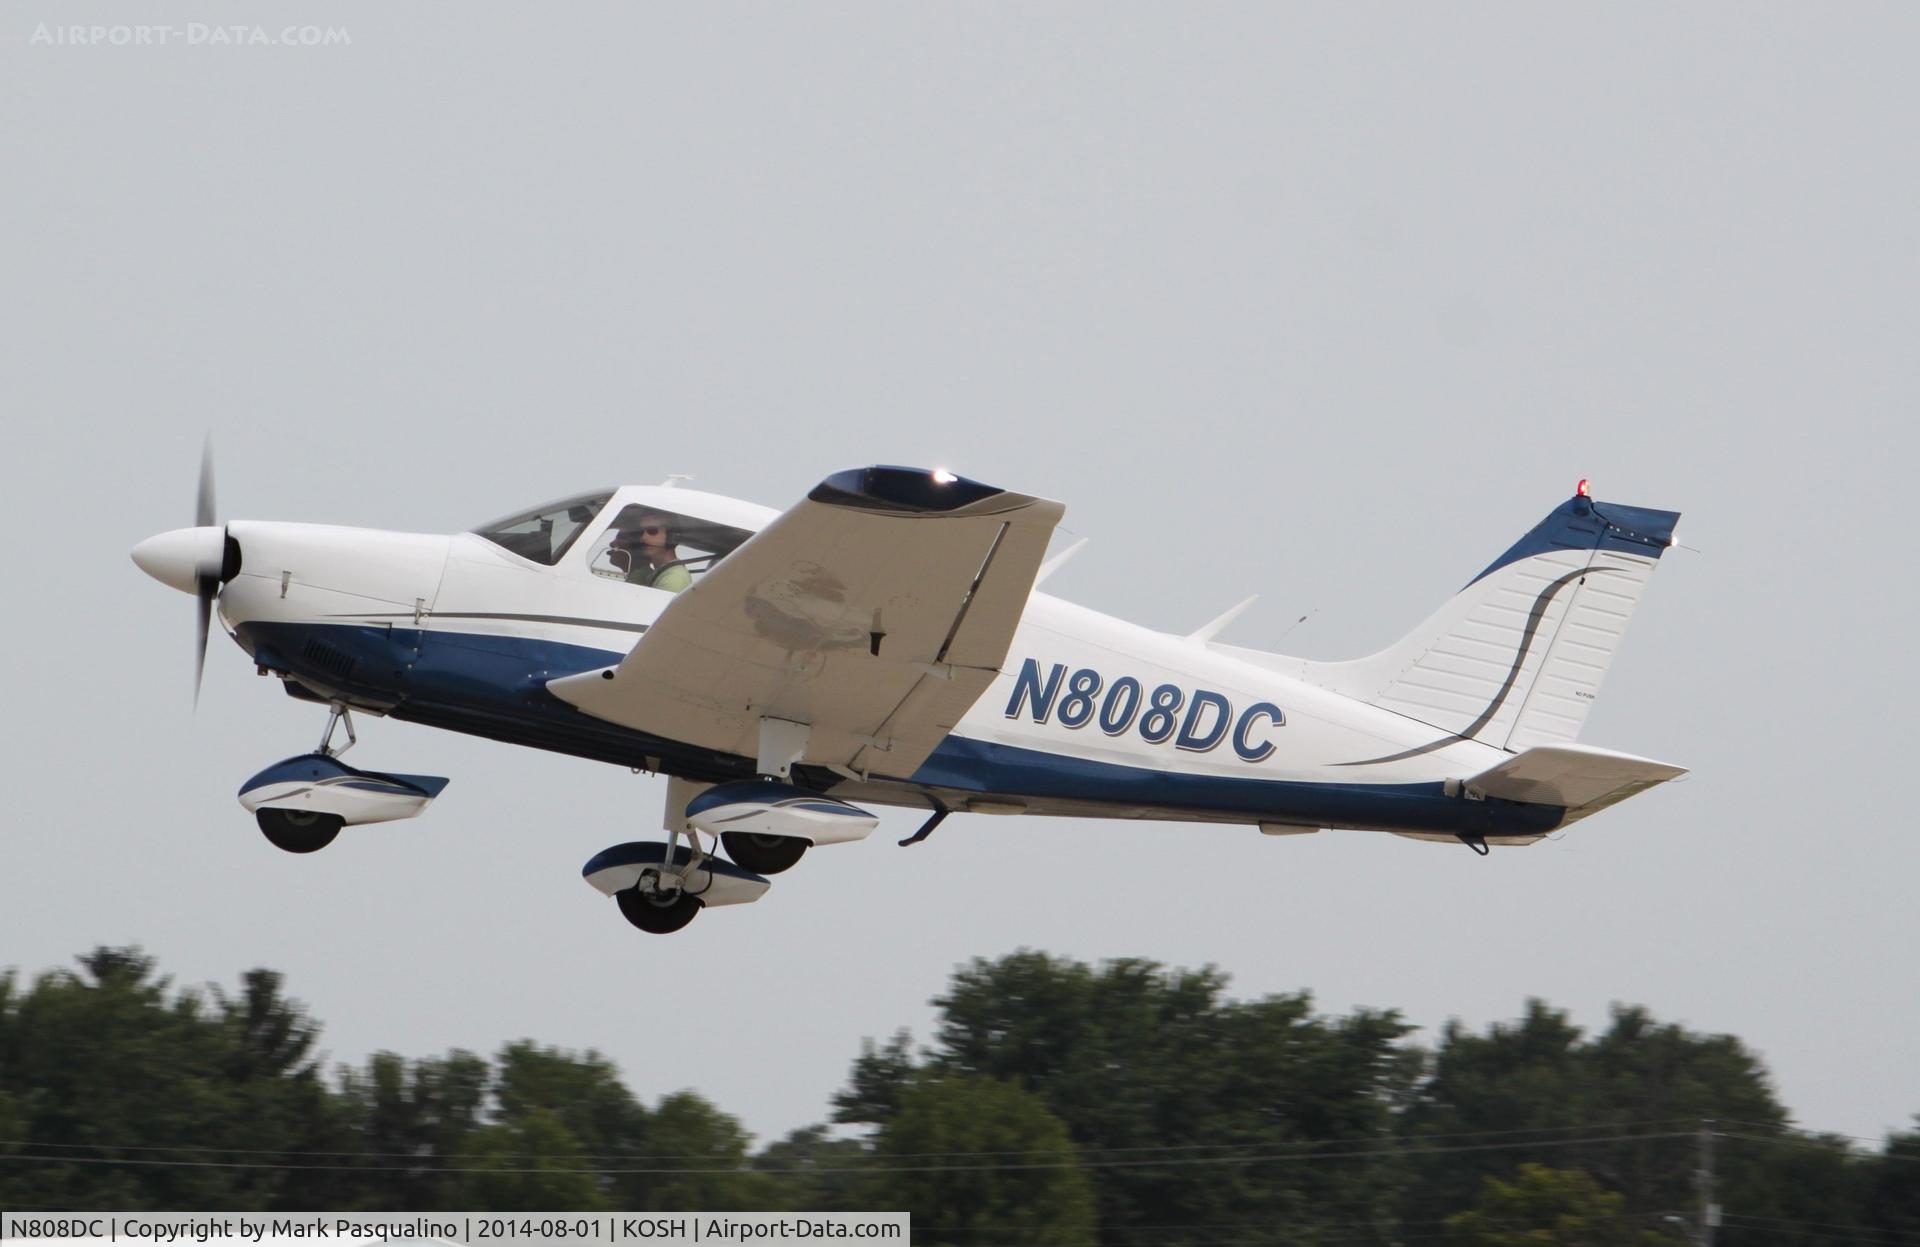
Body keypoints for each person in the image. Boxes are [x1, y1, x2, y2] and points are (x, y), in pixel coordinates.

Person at [614, 513, 691, 593]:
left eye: (652, 531)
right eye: (641, 532)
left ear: (671, 537)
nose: (643, 537)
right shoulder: (660, 573)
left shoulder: (673, 579)